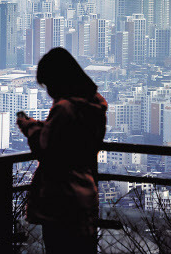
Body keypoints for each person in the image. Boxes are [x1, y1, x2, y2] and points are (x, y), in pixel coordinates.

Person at [16, 47, 107, 254]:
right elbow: (67, 140)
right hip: (86, 191)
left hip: (62, 198)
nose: (48, 90)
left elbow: (45, 148)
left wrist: (28, 126)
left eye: (48, 83)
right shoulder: (94, 105)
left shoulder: (65, 108)